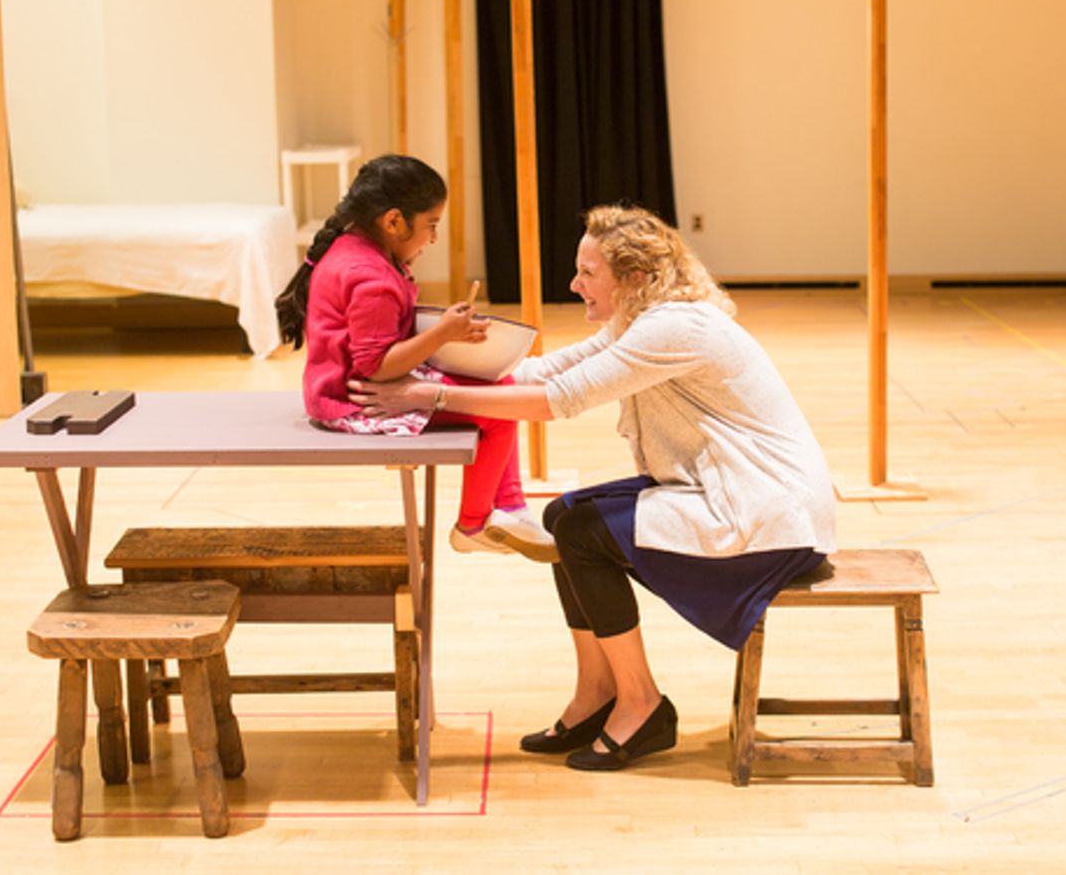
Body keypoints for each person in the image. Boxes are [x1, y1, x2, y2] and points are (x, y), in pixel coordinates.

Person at [350, 203, 837, 771]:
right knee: (563, 517)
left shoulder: (674, 328)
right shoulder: (642, 318)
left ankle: (641, 702)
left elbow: (557, 400)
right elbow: (541, 372)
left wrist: (431, 396)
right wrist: (430, 370)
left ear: (633, 276)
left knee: (582, 531)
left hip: (772, 518)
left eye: (587, 273)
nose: (574, 284)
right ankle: (598, 692)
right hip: (738, 495)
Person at [275, 154, 555, 561]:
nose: (434, 238)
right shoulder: (370, 275)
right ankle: (474, 523)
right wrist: (442, 334)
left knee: (500, 388)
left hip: (351, 388)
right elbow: (375, 366)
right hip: (354, 402)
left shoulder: (356, 249)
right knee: (497, 408)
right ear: (393, 221)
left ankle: (510, 506)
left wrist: (447, 335)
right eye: (431, 225)